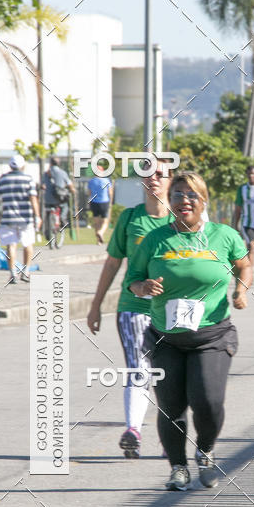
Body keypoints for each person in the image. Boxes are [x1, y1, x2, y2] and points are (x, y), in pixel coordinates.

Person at [127, 172, 253, 490]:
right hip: (165, 337)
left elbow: (245, 264)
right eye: (178, 195)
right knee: (171, 406)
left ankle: (206, 450)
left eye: (191, 195)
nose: (184, 200)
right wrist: (144, 286)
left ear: (204, 200)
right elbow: (132, 279)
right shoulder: (154, 239)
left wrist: (241, 290)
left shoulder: (224, 236)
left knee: (208, 402)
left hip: (212, 336)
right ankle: (178, 467)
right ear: (169, 201)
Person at [87, 157, 175, 458]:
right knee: (139, 368)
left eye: (161, 174)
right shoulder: (130, 218)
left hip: (175, 310)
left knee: (170, 373)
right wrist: (96, 305)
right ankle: (133, 430)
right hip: (133, 306)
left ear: (171, 180)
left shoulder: (181, 219)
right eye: (148, 174)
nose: (154, 179)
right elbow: (113, 263)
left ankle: (170, 436)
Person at [0, 153, 41, 284]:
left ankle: (13, 273)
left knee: (11, 246)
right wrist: (38, 216)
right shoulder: (28, 179)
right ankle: (26, 272)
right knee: (28, 245)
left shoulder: (3, 179)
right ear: (23, 165)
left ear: (10, 166)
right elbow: (33, 199)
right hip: (26, 218)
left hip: (8, 218)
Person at [42, 156, 76, 243]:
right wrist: (72, 190)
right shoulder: (62, 173)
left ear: (50, 163)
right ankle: (62, 218)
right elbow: (69, 184)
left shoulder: (46, 174)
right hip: (59, 199)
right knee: (65, 206)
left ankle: (47, 230)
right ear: (59, 164)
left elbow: (42, 185)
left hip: (48, 199)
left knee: (47, 211)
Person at [87, 165, 114, 244]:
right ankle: (101, 233)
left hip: (94, 202)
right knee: (105, 222)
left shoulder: (91, 181)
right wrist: (111, 203)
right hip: (104, 202)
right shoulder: (106, 180)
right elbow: (110, 193)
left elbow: (89, 193)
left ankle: (98, 241)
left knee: (96, 222)